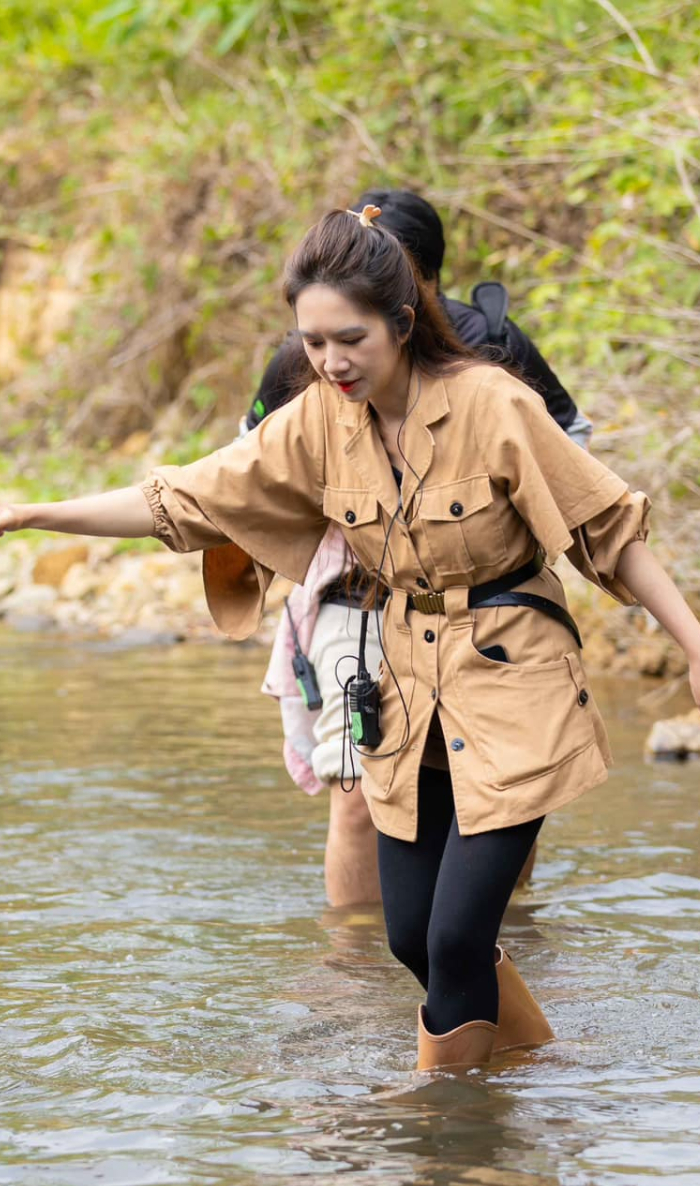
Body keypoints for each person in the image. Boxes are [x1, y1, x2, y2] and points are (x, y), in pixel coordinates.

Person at [0, 207, 700, 1071]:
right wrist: (32, 515)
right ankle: (533, 1072)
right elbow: (182, 499)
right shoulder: (315, 422)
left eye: (351, 339)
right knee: (411, 938)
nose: (332, 362)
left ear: (403, 324)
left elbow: (612, 535)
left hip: (514, 678)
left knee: (455, 938)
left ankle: (440, 1146)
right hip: (405, 685)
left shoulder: (494, 403)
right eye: (313, 343)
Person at [246, 189, 592, 908]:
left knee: (500, 795)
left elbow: (568, 445)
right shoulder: (309, 359)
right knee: (354, 789)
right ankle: (359, 974)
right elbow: (246, 468)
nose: (335, 355)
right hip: (350, 596)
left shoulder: (492, 354)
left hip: (485, 609)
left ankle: (488, 950)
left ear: (416, 291)